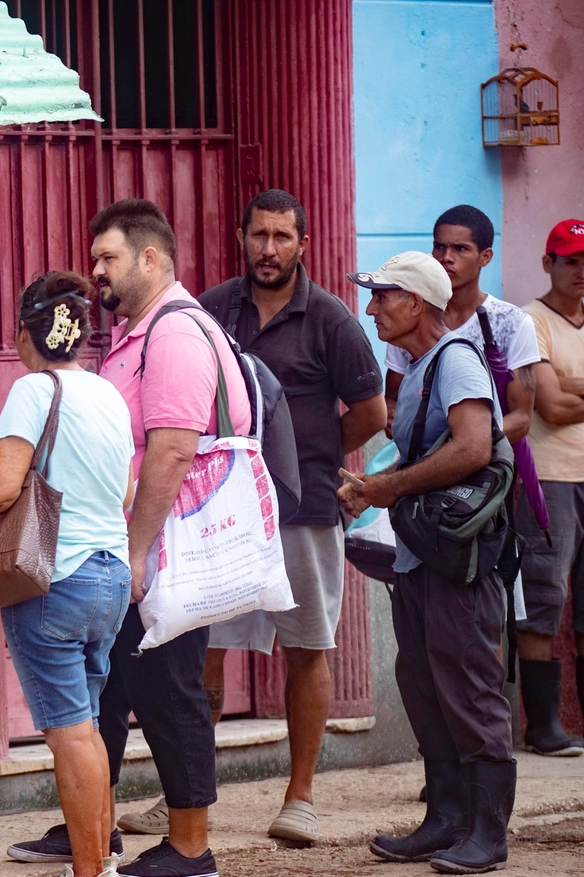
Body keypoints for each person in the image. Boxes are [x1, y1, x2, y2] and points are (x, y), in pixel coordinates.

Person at [196, 190, 386, 843]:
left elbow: (371, 411)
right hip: (221, 509)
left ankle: (300, 796)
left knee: (308, 648)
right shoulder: (214, 308)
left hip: (304, 506)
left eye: (282, 236)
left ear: (302, 244)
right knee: (202, 649)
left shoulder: (331, 317)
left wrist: (317, 455)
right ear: (242, 237)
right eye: (259, 235)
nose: (269, 248)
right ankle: (186, 793)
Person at [340, 251, 515, 874]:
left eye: (382, 296)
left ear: (415, 303)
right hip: (423, 558)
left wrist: (388, 487)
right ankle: (445, 820)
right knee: (422, 683)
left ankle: (486, 833)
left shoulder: (456, 360)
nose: (371, 308)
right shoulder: (419, 366)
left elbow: (472, 447)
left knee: (468, 687)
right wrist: (373, 487)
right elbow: (429, 453)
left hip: (458, 563)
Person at [92, 198, 245, 877]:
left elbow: (173, 449)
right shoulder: (138, 332)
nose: (97, 271)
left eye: (108, 258)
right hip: (145, 542)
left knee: (169, 687)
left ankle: (191, 845)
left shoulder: (175, 333)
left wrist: (135, 548)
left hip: (166, 546)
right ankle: (100, 827)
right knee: (131, 686)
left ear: (150, 258)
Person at [0, 272, 134, 877]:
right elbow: (123, 488)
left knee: (69, 734)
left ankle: (92, 870)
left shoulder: (32, 390)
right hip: (110, 576)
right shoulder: (107, 393)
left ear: (26, 333)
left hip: (54, 578)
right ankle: (102, 864)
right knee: (88, 728)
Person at [514, 218, 584, 758]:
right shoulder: (531, 322)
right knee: (545, 596)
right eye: (570, 261)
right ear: (549, 264)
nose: (580, 271)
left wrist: (571, 385)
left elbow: (565, 395)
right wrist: (563, 391)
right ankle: (541, 726)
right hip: (552, 479)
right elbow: (553, 407)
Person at [385, 205, 537, 446]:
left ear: (485, 257)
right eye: (439, 246)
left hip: (485, 475)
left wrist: (457, 441)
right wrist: (393, 416)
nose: (446, 257)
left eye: (460, 248)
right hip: (415, 467)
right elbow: (392, 396)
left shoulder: (512, 322)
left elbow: (520, 419)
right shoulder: (409, 316)